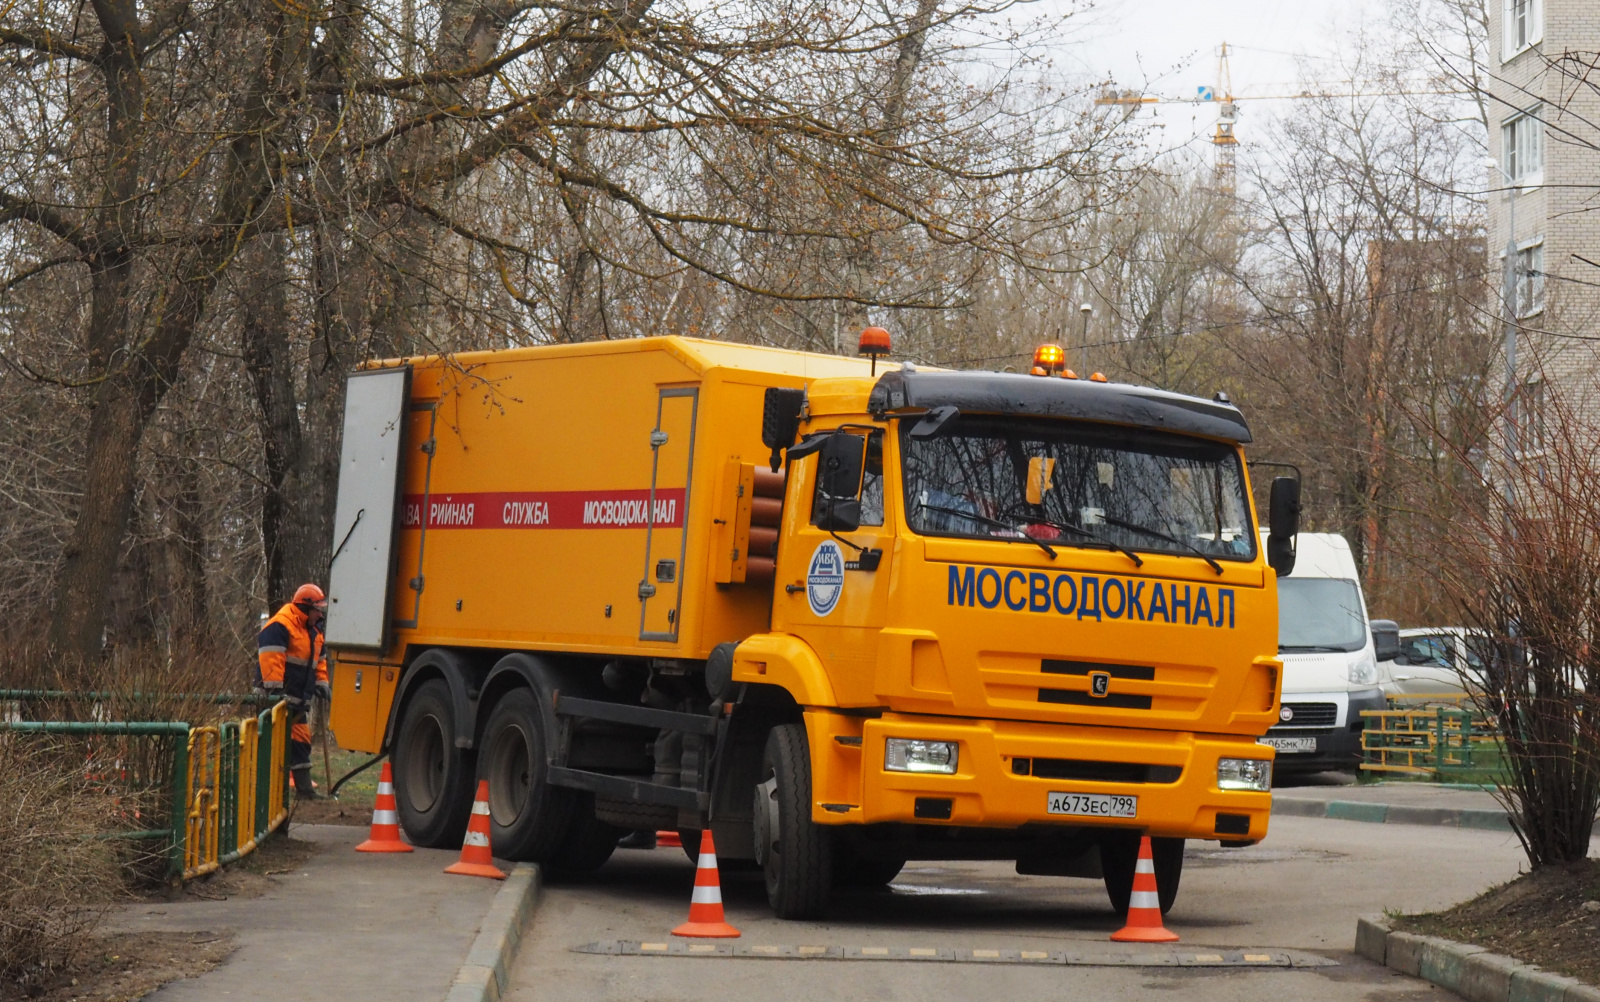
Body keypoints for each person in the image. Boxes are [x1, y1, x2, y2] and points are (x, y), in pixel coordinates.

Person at [255, 583, 331, 799]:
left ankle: (304, 791)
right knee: (271, 744)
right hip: (274, 700)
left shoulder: (314, 631)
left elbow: (320, 660)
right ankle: (265, 792)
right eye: (317, 608)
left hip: (296, 701)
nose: (320, 613)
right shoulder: (280, 625)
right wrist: (276, 693)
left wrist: (322, 683)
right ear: (305, 608)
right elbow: (272, 659)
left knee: (301, 741)